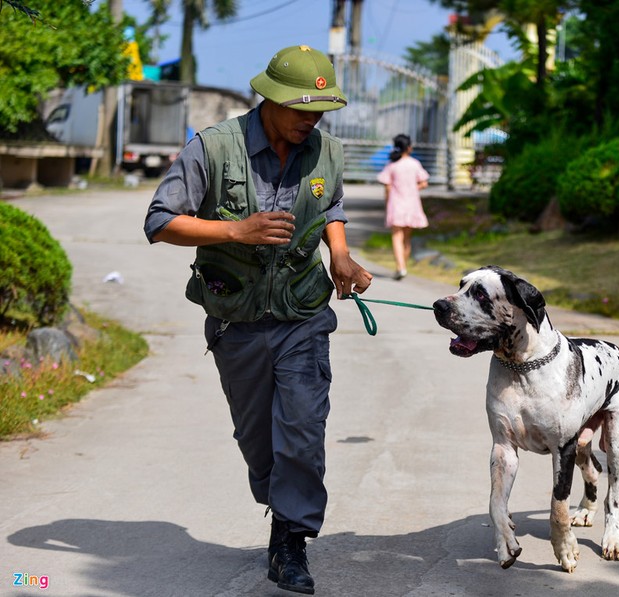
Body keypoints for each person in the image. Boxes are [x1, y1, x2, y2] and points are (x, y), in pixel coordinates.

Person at [143, 45, 373, 595]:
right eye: (301, 109)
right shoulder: (213, 149)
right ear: (268, 98)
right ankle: (280, 510)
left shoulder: (327, 152)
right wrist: (235, 231)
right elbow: (159, 222)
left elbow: (332, 204)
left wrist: (339, 252)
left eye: (320, 110)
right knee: (260, 442)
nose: (310, 120)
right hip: (237, 319)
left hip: (302, 313)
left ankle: (291, 541)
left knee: (302, 427)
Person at [377, 134, 430, 280]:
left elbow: (387, 187)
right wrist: (413, 188)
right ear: (409, 147)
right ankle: (403, 266)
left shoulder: (392, 165)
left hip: (396, 203)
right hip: (412, 203)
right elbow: (424, 182)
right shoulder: (415, 164)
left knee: (396, 236)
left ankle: (400, 267)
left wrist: (387, 203)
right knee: (407, 237)